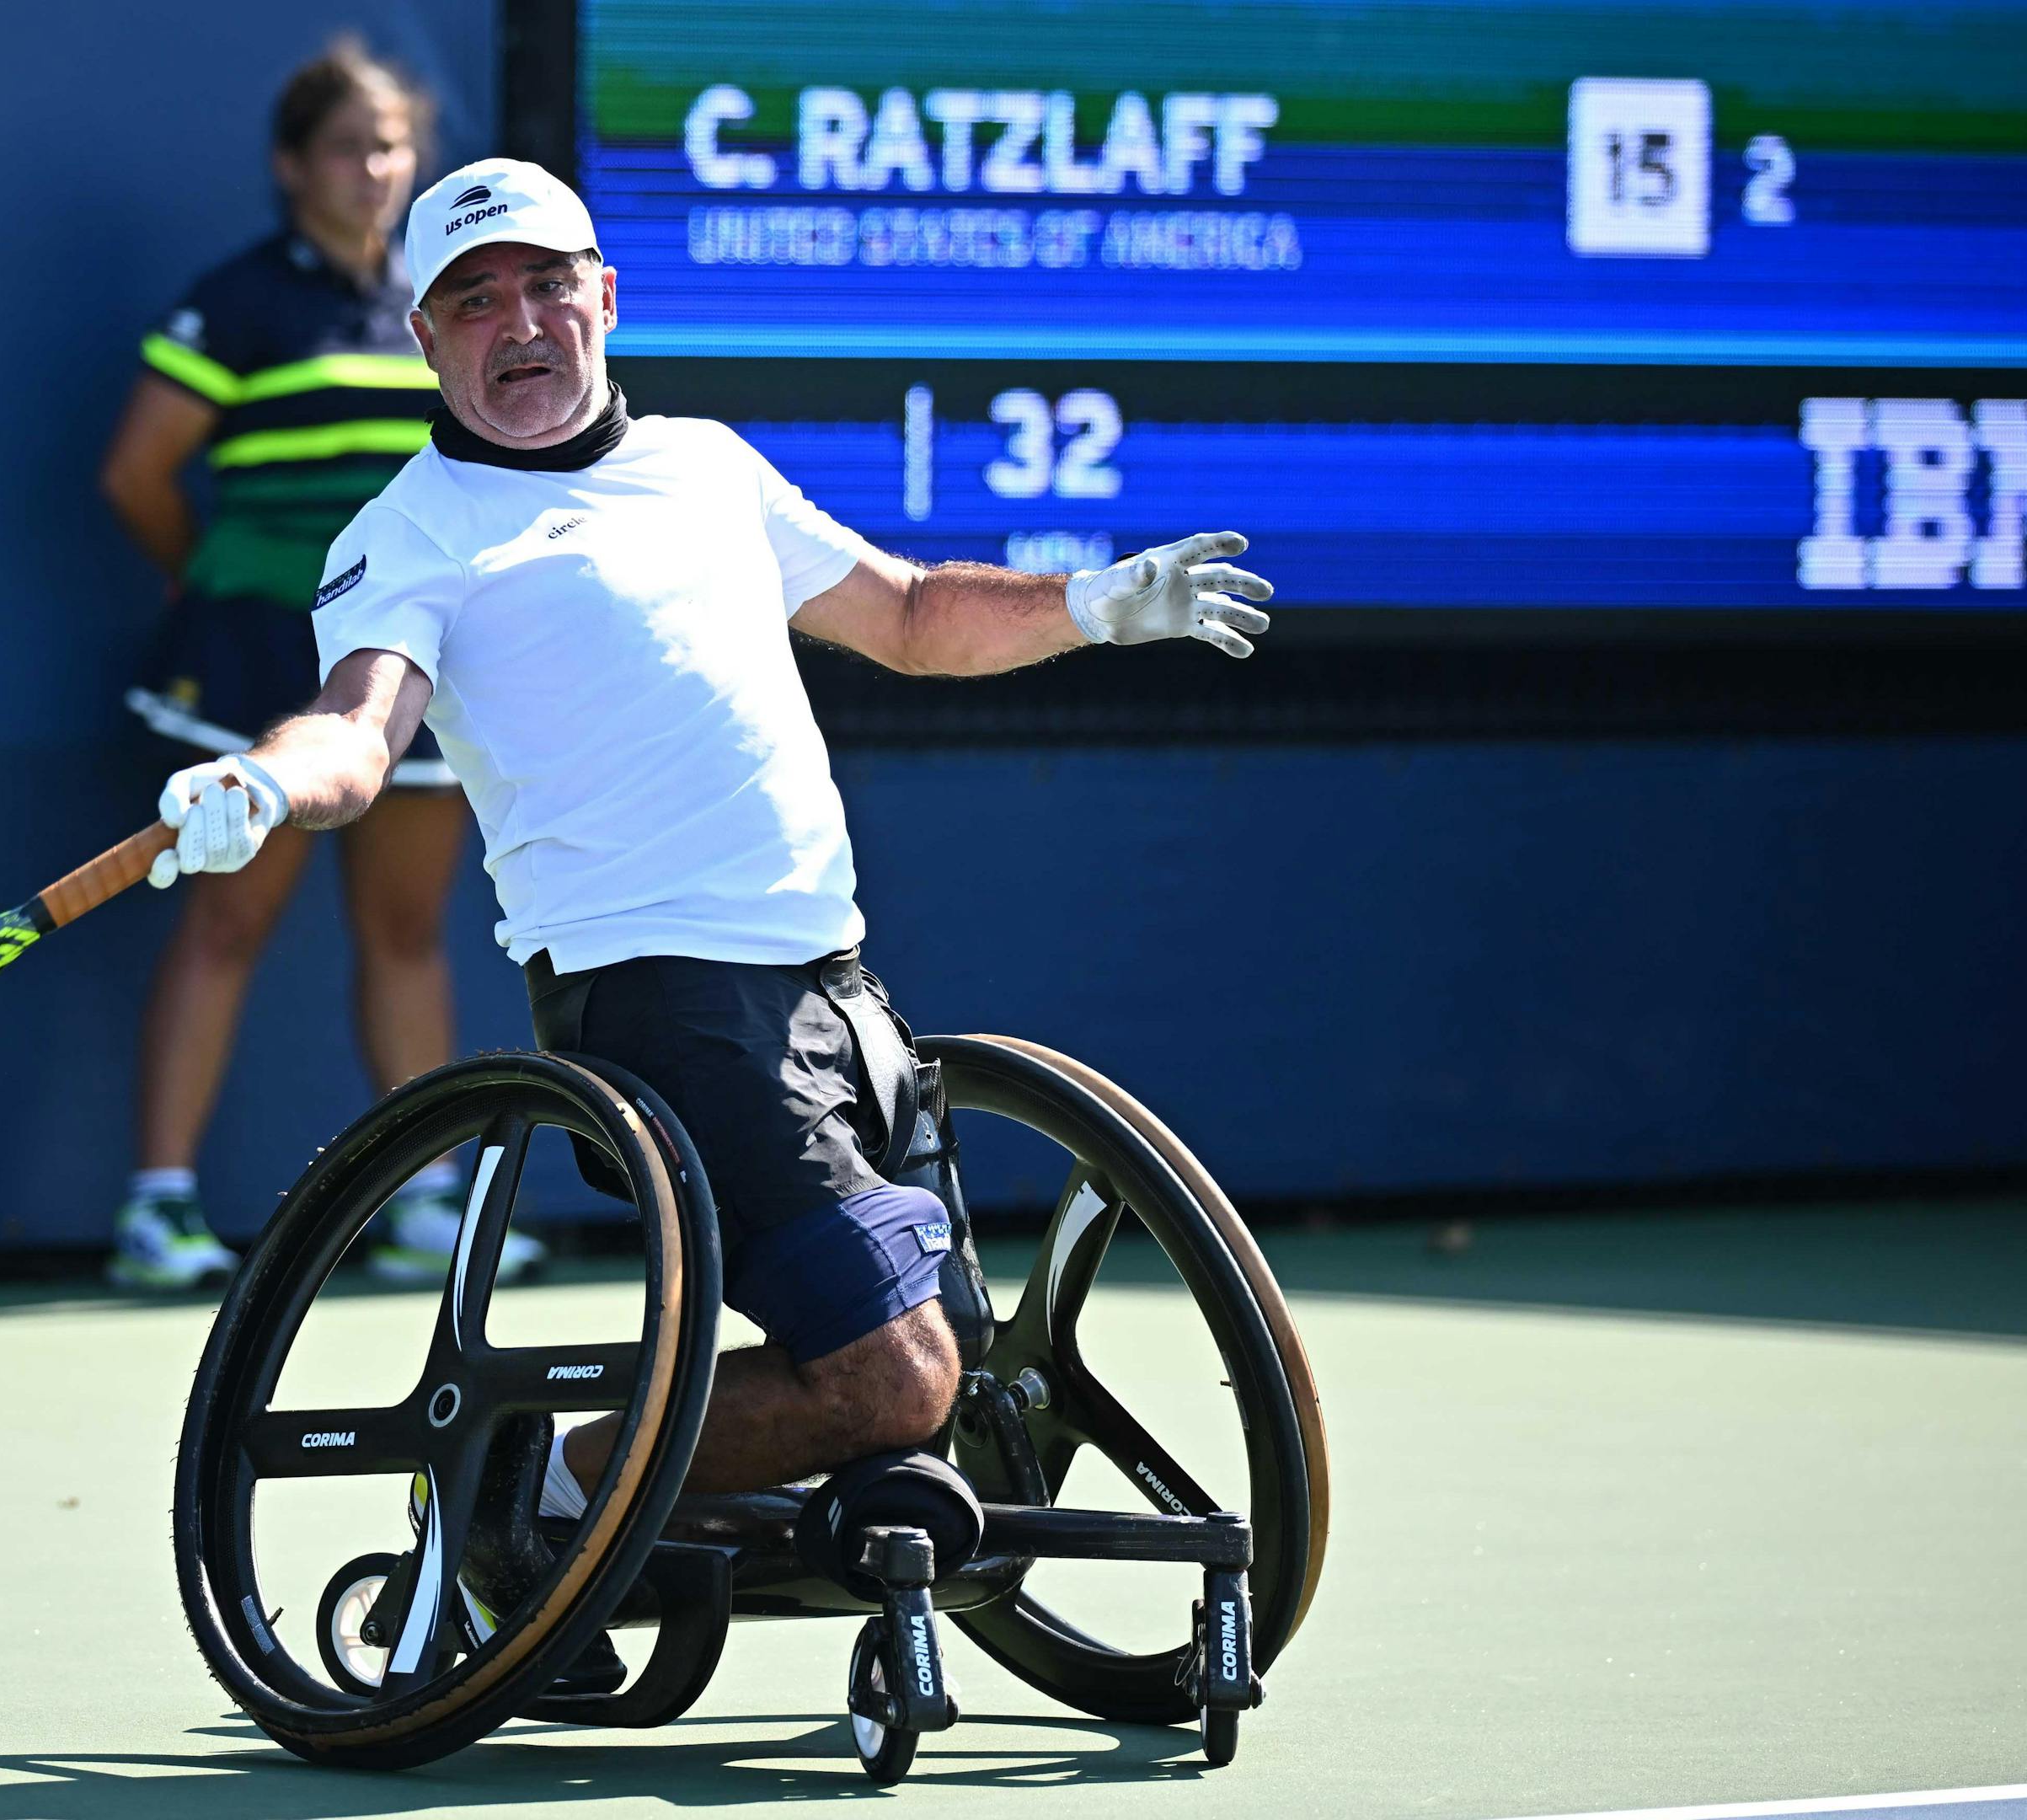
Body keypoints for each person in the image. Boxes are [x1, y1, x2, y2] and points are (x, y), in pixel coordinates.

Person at [148, 157, 1272, 1657]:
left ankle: (712, 1530)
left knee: (948, 1387)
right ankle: (528, 1496)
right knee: (896, 1376)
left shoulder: (705, 463)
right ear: (428, 339)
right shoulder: (409, 532)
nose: (520, 322)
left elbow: (913, 615)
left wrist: (1088, 603)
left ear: (605, 297)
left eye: (549, 284)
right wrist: (267, 782)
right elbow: (359, 730)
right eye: (474, 300)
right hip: (664, 1007)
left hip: (840, 989)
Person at [99, 42, 543, 1291]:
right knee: (229, 919)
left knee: (406, 931)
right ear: (294, 165)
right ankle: (160, 1208)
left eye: (393, 146)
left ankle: (430, 1212)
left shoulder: (443, 306)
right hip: (256, 664)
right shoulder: (238, 302)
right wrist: (224, 579)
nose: (375, 170)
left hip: (409, 670)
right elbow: (137, 474)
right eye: (349, 146)